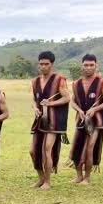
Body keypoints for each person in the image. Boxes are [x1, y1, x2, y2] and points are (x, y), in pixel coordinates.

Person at [29, 51, 70, 190]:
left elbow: (66, 98)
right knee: (33, 151)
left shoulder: (60, 80)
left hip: (54, 121)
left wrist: (50, 104)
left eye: (46, 64)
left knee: (46, 149)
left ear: (52, 64)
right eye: (41, 64)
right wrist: (35, 108)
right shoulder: (35, 81)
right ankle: (41, 178)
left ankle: (48, 181)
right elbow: (35, 99)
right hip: (40, 119)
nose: (43, 67)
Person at [69, 54, 103, 185]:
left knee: (90, 147)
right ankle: (78, 176)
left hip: (97, 121)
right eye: (86, 65)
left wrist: (95, 109)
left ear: (96, 66)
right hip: (81, 121)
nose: (88, 68)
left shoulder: (102, 82)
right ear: (82, 66)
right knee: (77, 146)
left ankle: (87, 177)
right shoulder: (76, 84)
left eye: (91, 65)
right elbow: (72, 101)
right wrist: (79, 110)